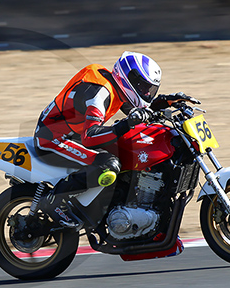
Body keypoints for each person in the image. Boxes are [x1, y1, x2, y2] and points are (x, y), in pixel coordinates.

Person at [34, 51, 193, 229]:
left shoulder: (116, 88)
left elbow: (136, 110)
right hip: (53, 138)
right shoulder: (99, 94)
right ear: (127, 78)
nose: (146, 93)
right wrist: (126, 124)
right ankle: (53, 201)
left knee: (127, 150)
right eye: (142, 86)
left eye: (149, 89)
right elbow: (89, 137)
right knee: (108, 165)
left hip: (75, 134)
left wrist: (165, 102)